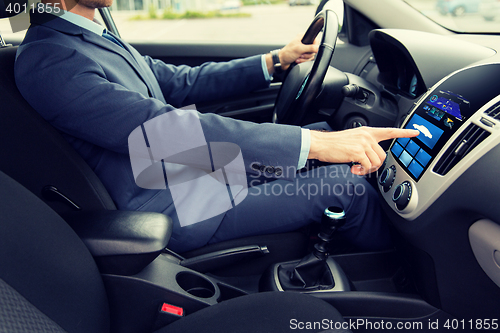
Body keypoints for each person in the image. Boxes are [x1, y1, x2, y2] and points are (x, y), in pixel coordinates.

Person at [14, 0, 419, 253]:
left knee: (318, 136)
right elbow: (160, 129)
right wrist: (315, 145)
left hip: (189, 175)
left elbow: (179, 82)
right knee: (344, 186)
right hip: (173, 203)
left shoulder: (90, 38)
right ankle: (405, 279)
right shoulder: (50, 59)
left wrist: (277, 60)